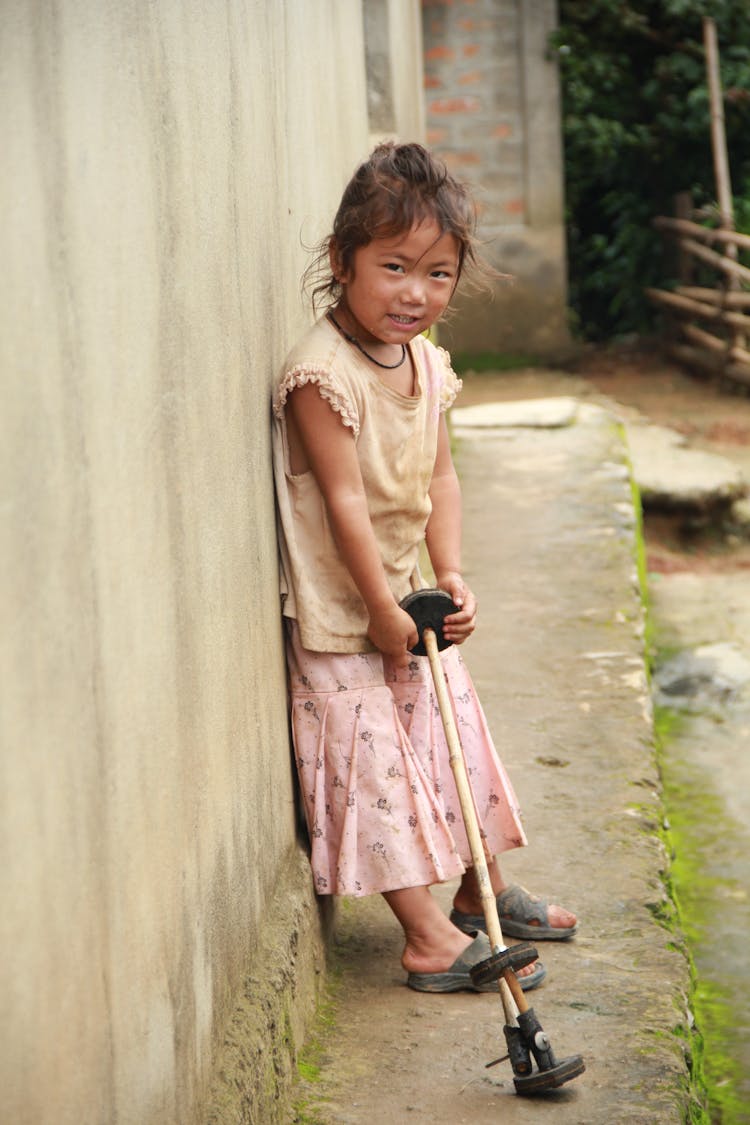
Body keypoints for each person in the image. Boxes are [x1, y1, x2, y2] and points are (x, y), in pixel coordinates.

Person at [271, 142, 576, 994]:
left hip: (411, 593)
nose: (415, 292)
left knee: (451, 737)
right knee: (375, 766)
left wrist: (453, 571)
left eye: (438, 273)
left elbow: (440, 474)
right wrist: (377, 606)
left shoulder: (426, 363)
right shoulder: (320, 377)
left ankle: (482, 888)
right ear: (344, 262)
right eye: (394, 266)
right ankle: (427, 936)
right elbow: (343, 506)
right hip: (346, 611)